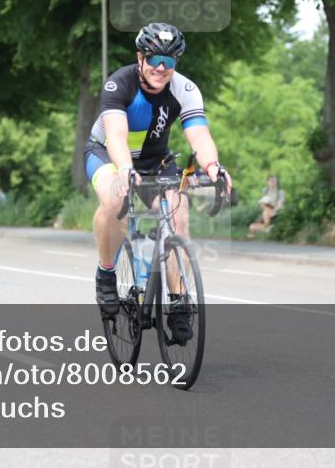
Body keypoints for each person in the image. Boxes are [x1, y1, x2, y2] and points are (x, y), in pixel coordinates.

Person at [85, 22, 232, 340]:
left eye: (170, 61)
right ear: (140, 57)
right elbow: (116, 136)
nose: (161, 68)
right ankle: (106, 272)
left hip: (155, 161)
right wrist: (124, 169)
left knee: (178, 213)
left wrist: (213, 166)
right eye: (155, 59)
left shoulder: (185, 89)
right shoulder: (118, 84)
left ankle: (178, 303)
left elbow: (199, 134)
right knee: (113, 200)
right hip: (109, 155)